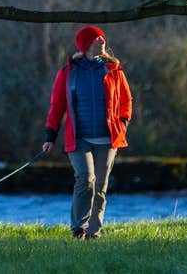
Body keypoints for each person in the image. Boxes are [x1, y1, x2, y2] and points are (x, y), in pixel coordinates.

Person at [42, 25, 133, 240]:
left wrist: (122, 123)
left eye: (102, 37)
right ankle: (78, 229)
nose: (102, 41)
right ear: (85, 44)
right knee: (85, 179)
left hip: (108, 138)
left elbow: (126, 101)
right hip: (79, 139)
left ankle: (94, 232)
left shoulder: (114, 70)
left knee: (100, 185)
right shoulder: (68, 73)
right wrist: (50, 136)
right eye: (96, 38)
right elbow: (57, 106)